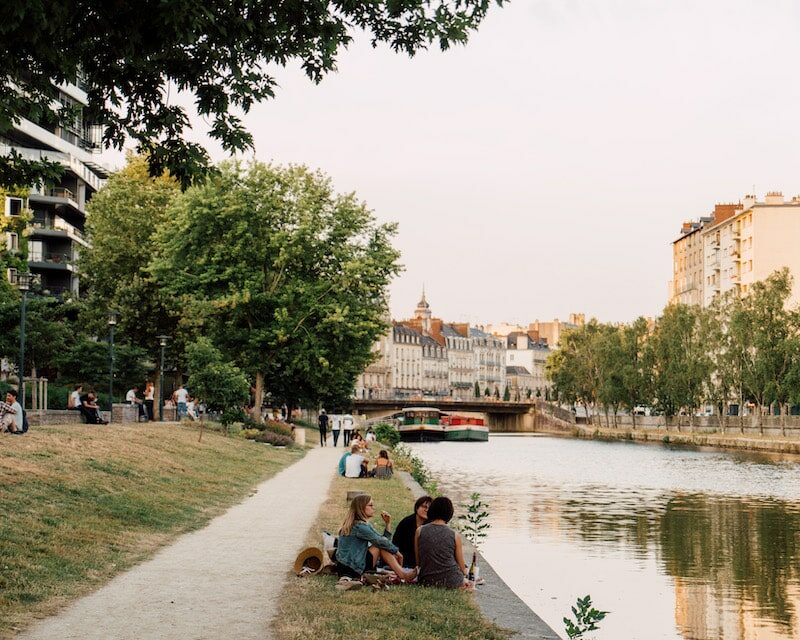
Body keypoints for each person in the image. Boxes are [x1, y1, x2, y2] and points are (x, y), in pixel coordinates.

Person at [335, 494, 416, 583]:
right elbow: (381, 542)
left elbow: (383, 541)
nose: (374, 508)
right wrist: (397, 552)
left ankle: (402, 573)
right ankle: (403, 574)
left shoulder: (359, 524)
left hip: (346, 566)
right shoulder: (360, 527)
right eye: (370, 505)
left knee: (381, 545)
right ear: (361, 508)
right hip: (352, 568)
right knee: (380, 546)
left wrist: (387, 524)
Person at [415, 496, 468, 589]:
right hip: (452, 581)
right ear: (449, 513)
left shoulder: (419, 531)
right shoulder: (455, 535)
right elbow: (462, 568)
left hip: (426, 580)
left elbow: (419, 561)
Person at [392, 495, 432, 569]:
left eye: (429, 508)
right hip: (404, 558)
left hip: (424, 561)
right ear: (417, 507)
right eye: (424, 507)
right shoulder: (406, 522)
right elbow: (395, 541)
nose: (426, 510)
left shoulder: (431, 525)